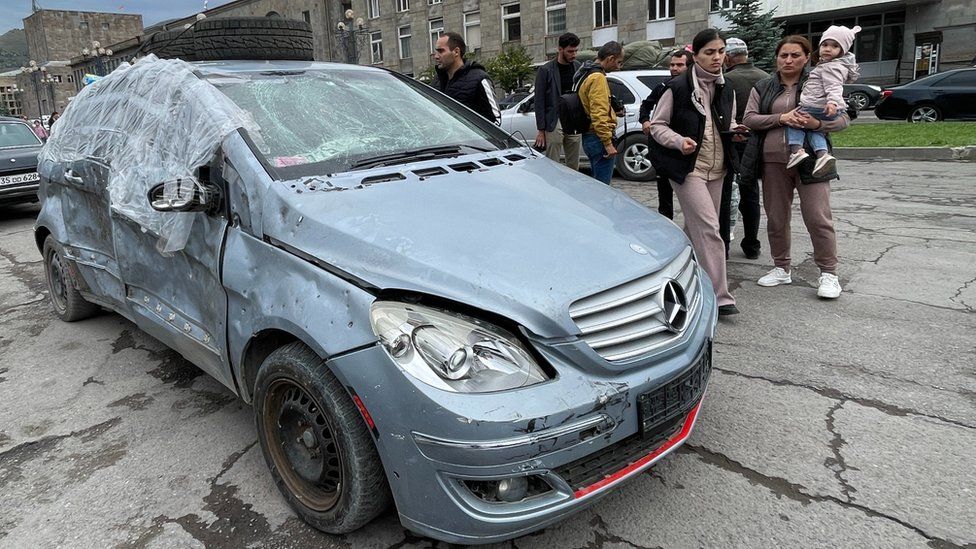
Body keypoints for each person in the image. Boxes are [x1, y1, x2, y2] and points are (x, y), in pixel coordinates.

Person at [740, 35, 851, 299]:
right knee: (777, 219)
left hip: (812, 160)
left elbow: (844, 119)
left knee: (818, 217)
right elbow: (749, 118)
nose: (788, 60)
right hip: (773, 162)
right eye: (783, 55)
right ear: (777, 58)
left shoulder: (822, 78)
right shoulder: (763, 86)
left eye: (795, 55)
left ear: (806, 57)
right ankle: (781, 268)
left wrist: (817, 125)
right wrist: (781, 118)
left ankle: (828, 274)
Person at [648, 29, 745, 316]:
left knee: (695, 229)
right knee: (710, 229)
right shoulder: (677, 87)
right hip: (688, 168)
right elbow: (657, 126)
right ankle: (720, 296)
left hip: (718, 167)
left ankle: (673, 276)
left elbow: (728, 121)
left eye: (721, 51)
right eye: (710, 52)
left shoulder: (726, 88)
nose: (717, 58)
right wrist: (679, 141)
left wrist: (735, 130)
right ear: (696, 56)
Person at [785, 25, 861, 177]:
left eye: (834, 46)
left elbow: (834, 87)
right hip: (821, 108)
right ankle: (823, 155)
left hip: (816, 106)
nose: (827, 49)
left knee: (794, 120)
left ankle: (796, 150)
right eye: (825, 45)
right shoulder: (829, 66)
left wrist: (832, 103)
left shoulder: (831, 67)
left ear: (843, 51)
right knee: (815, 131)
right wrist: (819, 124)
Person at [719, 37, 769, 259]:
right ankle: (752, 245)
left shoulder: (726, 80)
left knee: (726, 193)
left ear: (727, 57)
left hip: (733, 142)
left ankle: (724, 249)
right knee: (751, 194)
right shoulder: (766, 78)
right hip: (759, 143)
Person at [639, 49, 694, 219]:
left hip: (688, 146)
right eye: (672, 65)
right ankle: (666, 224)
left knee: (691, 196)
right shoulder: (664, 86)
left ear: (690, 66)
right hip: (664, 147)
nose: (675, 68)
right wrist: (645, 121)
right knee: (664, 192)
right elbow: (646, 105)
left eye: (679, 65)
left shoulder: (696, 88)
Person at [577, 41, 624, 185]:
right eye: (618, 62)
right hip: (598, 138)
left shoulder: (585, 71)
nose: (618, 67)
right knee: (603, 189)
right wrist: (607, 143)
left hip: (589, 136)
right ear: (610, 58)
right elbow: (598, 113)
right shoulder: (598, 77)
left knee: (596, 186)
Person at [534, 32, 582, 169]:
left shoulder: (578, 67)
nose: (573, 54)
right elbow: (539, 101)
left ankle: (571, 188)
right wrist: (541, 130)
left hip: (573, 119)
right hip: (554, 119)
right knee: (553, 162)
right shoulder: (545, 70)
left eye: (575, 51)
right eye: (570, 51)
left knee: (574, 164)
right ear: (560, 49)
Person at [432, 32, 501, 124]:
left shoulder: (479, 79)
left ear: (456, 52)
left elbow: (496, 120)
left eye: (441, 51)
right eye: (436, 51)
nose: (436, 56)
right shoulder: (437, 81)